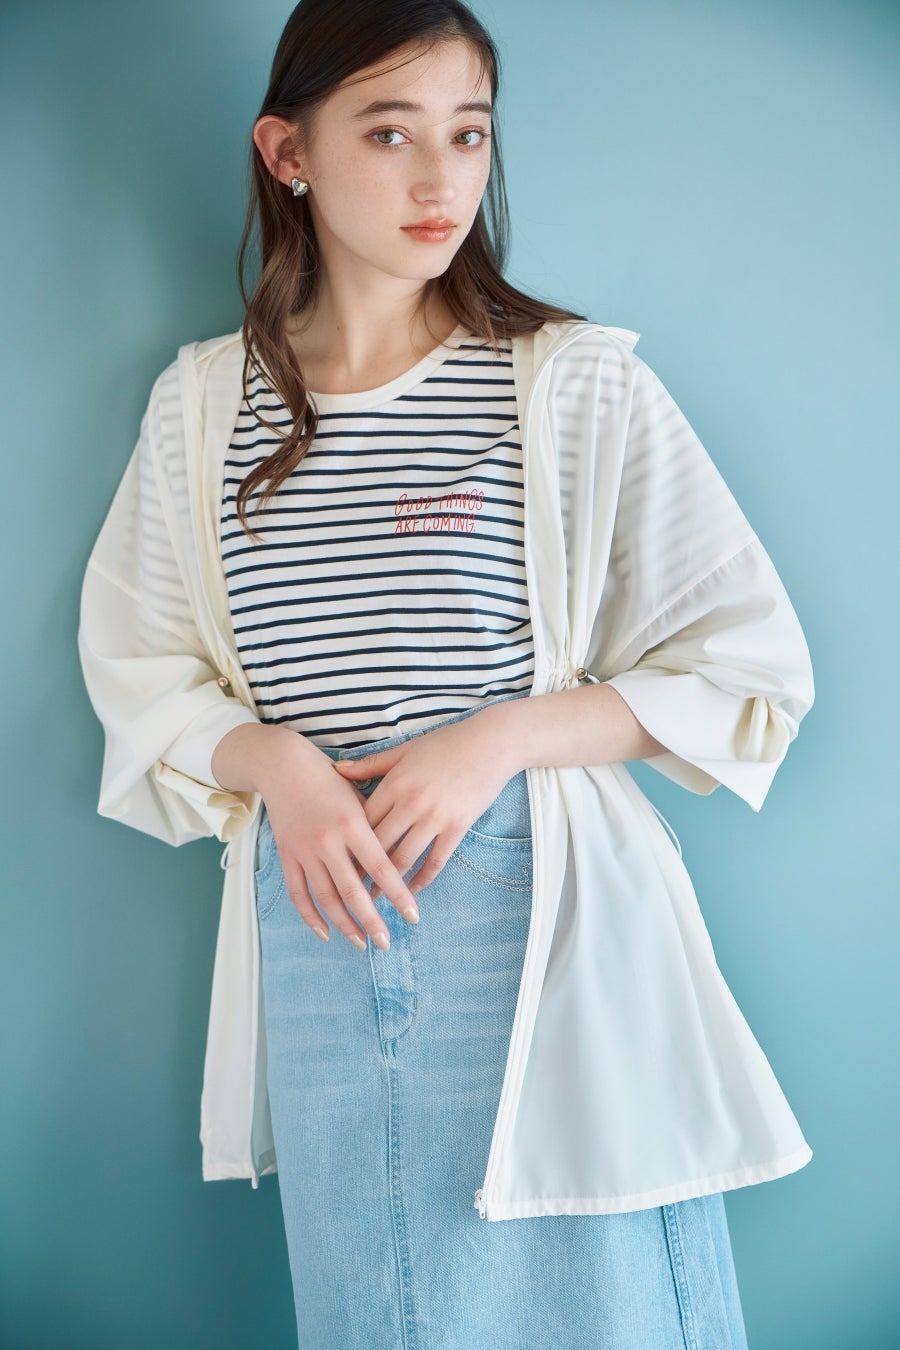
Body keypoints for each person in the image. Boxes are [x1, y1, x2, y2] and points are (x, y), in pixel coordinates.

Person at [77, 1, 816, 1346]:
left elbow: (747, 666)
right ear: (287, 154)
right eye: (388, 132)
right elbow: (141, 664)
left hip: (539, 906)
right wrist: (277, 764)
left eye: (467, 135)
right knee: (384, 1307)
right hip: (318, 914)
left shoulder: (573, 384)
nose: (439, 178)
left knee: (605, 1304)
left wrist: (499, 739)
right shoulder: (202, 406)